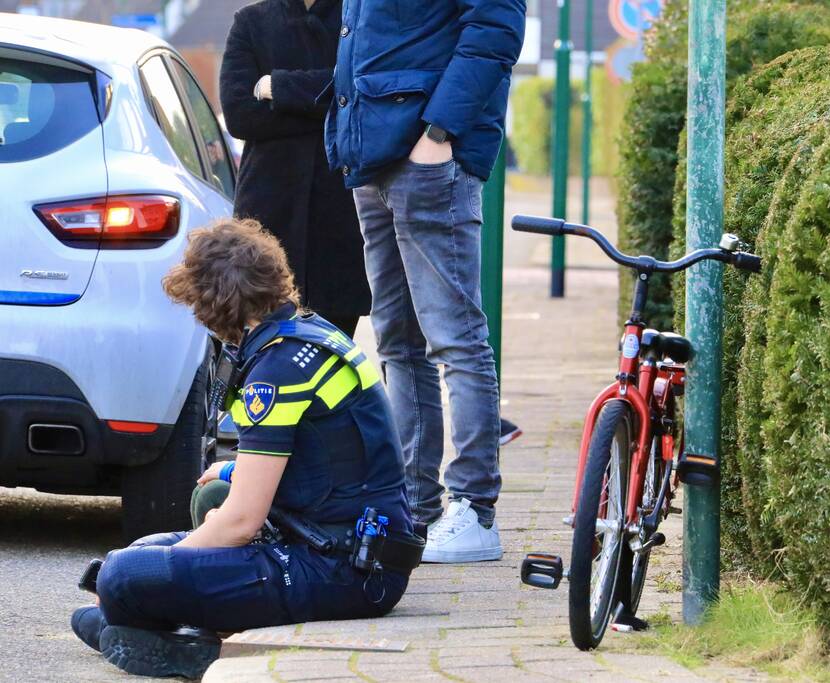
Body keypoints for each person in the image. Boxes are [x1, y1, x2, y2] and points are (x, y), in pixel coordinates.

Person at [69, 219, 422, 679]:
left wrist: (147, 571)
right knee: (142, 552)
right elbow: (325, 463)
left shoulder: (276, 369)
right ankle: (145, 626)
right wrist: (232, 477)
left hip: (342, 569)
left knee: (125, 575)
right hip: (355, 551)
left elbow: (240, 522)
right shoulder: (306, 334)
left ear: (214, 303)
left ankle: (161, 634)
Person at [324, 0, 527, 564]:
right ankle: (414, 507)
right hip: (374, 156)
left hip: (429, 156)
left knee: (455, 338)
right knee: (396, 342)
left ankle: (474, 510)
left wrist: (439, 132)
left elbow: (495, 30)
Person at [220, 0, 367, 340]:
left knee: (333, 348)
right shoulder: (250, 22)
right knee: (261, 342)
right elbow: (239, 115)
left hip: (341, 213)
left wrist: (280, 87)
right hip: (269, 210)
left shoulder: (358, 17)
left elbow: (363, 92)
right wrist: (330, 108)